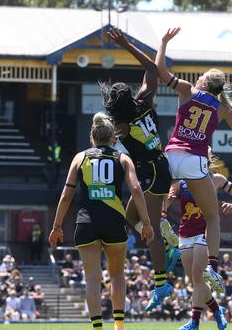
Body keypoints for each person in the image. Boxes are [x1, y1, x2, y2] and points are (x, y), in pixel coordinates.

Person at [156, 28, 232, 292]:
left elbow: (161, 72)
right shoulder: (223, 108)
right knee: (212, 217)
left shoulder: (187, 90)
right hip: (195, 160)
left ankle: (162, 217)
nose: (196, 78)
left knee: (162, 192)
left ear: (203, 83)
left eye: (200, 77)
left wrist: (163, 43)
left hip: (172, 153)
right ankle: (212, 265)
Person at [48, 112, 154, 330]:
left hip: (86, 222)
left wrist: (57, 226)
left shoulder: (80, 158)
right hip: (114, 221)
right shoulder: (123, 159)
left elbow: (66, 195)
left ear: (92, 137)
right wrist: (147, 223)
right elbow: (136, 189)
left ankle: (97, 327)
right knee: (117, 274)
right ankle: (118, 325)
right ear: (113, 138)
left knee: (92, 278)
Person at [103, 28, 180, 311]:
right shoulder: (145, 99)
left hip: (149, 171)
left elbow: (105, 136)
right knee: (130, 218)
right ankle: (167, 247)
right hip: (159, 166)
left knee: (150, 230)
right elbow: (151, 68)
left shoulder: (120, 124)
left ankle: (162, 283)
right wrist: (126, 44)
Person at [166, 162, 232, 330]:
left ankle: (194, 322)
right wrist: (166, 204)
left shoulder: (215, 179)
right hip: (185, 234)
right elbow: (167, 200)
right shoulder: (182, 181)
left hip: (204, 232)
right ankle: (217, 309)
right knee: (194, 282)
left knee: (198, 276)